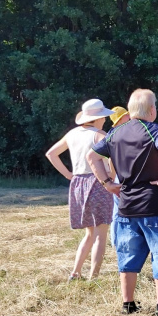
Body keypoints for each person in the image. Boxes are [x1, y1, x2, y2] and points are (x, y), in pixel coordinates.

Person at [87, 88, 158, 316]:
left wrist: (108, 183)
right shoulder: (156, 130)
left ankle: (128, 303)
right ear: (151, 109)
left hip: (126, 205)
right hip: (155, 204)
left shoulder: (115, 132)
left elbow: (92, 156)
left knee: (127, 254)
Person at [45, 99, 114, 281]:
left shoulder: (72, 134)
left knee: (90, 233)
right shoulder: (100, 135)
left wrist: (69, 174)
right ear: (97, 118)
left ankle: (75, 272)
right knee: (100, 234)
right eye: (103, 117)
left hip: (78, 183)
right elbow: (113, 160)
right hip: (99, 182)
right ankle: (94, 277)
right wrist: (112, 176)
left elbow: (51, 154)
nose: (105, 120)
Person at [108, 106, 130, 249]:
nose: (129, 117)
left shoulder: (113, 133)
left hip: (118, 175)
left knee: (117, 210)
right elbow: (111, 158)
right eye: (126, 115)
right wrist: (113, 175)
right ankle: (117, 241)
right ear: (121, 118)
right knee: (120, 211)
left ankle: (115, 240)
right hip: (121, 175)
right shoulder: (121, 133)